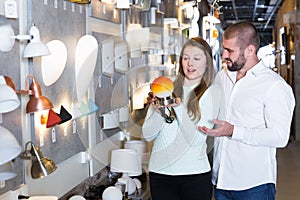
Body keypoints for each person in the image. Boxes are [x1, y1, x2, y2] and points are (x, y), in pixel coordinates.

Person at [198, 22, 296, 200]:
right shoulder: (223, 76)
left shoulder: (274, 86)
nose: (224, 55)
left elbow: (280, 137)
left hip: (253, 185)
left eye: (230, 51)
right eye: (224, 49)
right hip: (220, 181)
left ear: (250, 50)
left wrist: (234, 131)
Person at [142, 37, 221, 200]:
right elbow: (148, 134)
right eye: (186, 58)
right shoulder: (166, 87)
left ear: (207, 63)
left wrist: (177, 108)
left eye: (196, 58)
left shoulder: (211, 93)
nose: (190, 63)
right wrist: (158, 112)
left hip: (195, 176)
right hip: (160, 174)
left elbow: (196, 140)